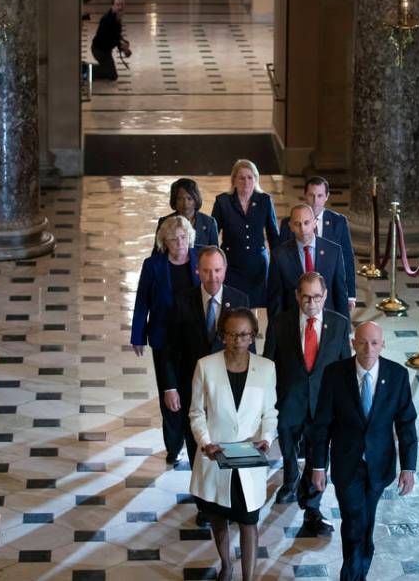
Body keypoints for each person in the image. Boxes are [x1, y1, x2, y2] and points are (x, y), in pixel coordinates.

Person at [310, 322, 418, 581]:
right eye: (362, 342)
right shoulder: (334, 374)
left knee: (365, 525)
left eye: (374, 343)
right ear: (353, 343)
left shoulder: (397, 375)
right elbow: (322, 424)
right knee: (354, 521)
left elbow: (405, 424)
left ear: (383, 344)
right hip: (347, 464)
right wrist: (317, 466)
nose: (368, 349)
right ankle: (352, 577)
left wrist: (408, 467)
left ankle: (358, 571)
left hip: (379, 465)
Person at [162, 245, 249, 526]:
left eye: (218, 270)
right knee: (198, 445)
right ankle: (205, 505)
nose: (213, 277)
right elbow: (168, 350)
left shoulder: (239, 299)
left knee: (231, 441)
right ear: (198, 271)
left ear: (225, 270)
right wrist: (170, 387)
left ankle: (233, 500)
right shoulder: (181, 301)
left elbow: (251, 348)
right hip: (193, 389)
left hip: (230, 388)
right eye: (207, 271)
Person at [189, 308, 277, 581]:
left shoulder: (266, 368)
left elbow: (270, 413)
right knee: (218, 517)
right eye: (231, 334)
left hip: (249, 459)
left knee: (249, 521)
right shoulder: (206, 365)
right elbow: (196, 412)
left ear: (253, 336)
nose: (238, 340)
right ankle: (226, 565)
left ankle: (248, 578)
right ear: (222, 336)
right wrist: (205, 443)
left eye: (244, 335)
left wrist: (267, 437)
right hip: (216, 458)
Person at [262, 272, 350, 535]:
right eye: (305, 296)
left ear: (324, 296)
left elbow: (345, 366)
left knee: (318, 455)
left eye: (316, 297)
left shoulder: (339, 324)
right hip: (290, 401)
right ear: (297, 296)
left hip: (323, 405)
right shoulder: (279, 323)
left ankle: (312, 505)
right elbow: (268, 364)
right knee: (288, 448)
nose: (311, 303)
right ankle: (290, 479)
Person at [131, 216, 200, 466]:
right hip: (164, 337)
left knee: (193, 390)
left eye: (183, 237)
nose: (180, 243)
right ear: (164, 242)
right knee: (170, 394)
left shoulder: (199, 259)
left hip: (195, 337)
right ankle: (174, 445)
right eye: (173, 239)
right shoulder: (153, 265)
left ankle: (196, 441)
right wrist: (138, 335)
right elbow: (142, 302)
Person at [279, 177, 357, 310]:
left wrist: (350, 295)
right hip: (298, 293)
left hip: (328, 292)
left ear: (327, 196)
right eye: (311, 195)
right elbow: (281, 261)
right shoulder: (289, 223)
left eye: (320, 195)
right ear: (305, 195)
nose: (315, 201)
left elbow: (347, 259)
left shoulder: (339, 222)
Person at [211, 159, 278, 308]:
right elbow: (212, 234)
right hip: (231, 264)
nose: (246, 181)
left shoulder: (265, 200)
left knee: (253, 305)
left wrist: (278, 262)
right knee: (232, 305)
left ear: (256, 179)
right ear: (234, 180)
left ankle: (251, 332)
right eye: (241, 177)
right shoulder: (223, 202)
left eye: (250, 177)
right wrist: (214, 262)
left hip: (257, 265)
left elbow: (273, 234)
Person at [267, 204, 349, 319]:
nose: (303, 229)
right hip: (293, 322)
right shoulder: (279, 255)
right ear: (290, 226)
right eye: (297, 224)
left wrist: (345, 331)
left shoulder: (333, 251)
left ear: (314, 223)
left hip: (327, 322)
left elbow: (340, 294)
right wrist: (274, 333)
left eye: (306, 223)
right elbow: (275, 299)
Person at [152, 178, 219, 256]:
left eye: (189, 198)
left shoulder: (209, 222)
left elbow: (215, 253)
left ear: (196, 199)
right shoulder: (164, 222)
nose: (185, 203)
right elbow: (157, 252)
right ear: (174, 200)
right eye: (180, 199)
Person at [91, 0, 131, 81]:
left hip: (105, 51)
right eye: (117, 5)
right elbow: (105, 39)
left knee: (111, 74)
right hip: (99, 50)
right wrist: (120, 44)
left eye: (122, 5)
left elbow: (116, 35)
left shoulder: (117, 18)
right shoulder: (106, 19)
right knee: (112, 75)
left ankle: (100, 68)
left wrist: (123, 44)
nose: (120, 7)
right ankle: (85, 69)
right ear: (113, 6)